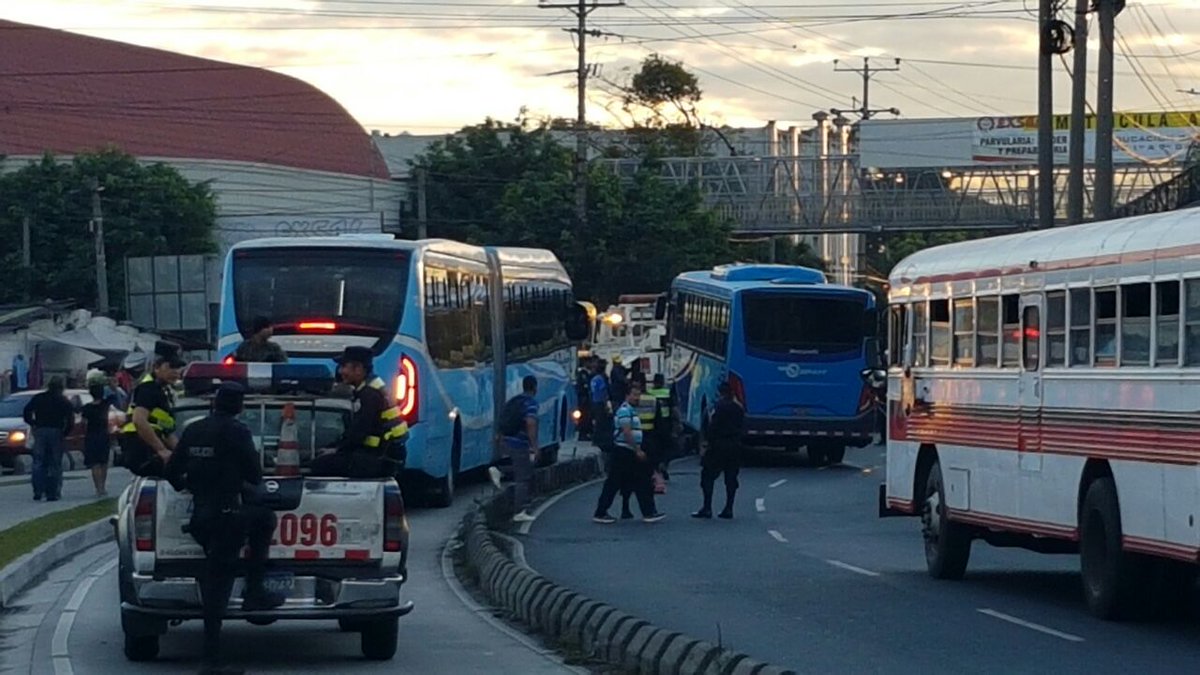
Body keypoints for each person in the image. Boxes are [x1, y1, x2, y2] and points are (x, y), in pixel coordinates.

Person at [164, 382, 285, 673]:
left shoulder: (193, 430)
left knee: (217, 581)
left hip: (202, 518)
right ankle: (252, 594)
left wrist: (190, 485)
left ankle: (249, 598)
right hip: (228, 516)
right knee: (263, 521)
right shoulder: (238, 431)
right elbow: (255, 476)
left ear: (214, 403)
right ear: (240, 407)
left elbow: (171, 471)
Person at [310, 346, 408, 478]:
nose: (340, 371)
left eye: (344, 366)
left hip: (379, 458)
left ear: (358, 369)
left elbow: (359, 432)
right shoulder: (371, 387)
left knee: (318, 466)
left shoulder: (369, 394)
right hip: (383, 455)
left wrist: (336, 450)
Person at [593, 381, 664, 524]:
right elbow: (626, 431)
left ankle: (648, 512)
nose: (637, 398)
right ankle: (601, 512)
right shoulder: (625, 410)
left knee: (641, 481)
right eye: (634, 395)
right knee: (614, 482)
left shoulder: (632, 410)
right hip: (624, 451)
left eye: (638, 396)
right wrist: (637, 449)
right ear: (627, 396)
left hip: (629, 451)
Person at [118, 351, 186, 478]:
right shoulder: (148, 388)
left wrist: (182, 454)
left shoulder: (162, 390)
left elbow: (167, 431)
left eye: (178, 368)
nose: (175, 372)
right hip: (141, 448)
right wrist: (161, 450)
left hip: (147, 446)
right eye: (170, 367)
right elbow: (139, 420)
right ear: (156, 367)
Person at [693, 381, 746, 520]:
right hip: (735, 446)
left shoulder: (717, 407)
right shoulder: (739, 408)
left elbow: (711, 427)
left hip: (718, 445)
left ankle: (707, 507)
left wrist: (706, 444)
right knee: (731, 478)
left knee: (707, 476)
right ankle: (729, 508)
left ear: (720, 392)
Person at [492, 375, 539, 523]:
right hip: (519, 443)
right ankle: (519, 511)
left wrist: (499, 436)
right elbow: (530, 423)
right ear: (535, 388)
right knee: (522, 478)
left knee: (522, 469)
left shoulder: (514, 400)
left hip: (507, 439)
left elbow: (503, 417)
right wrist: (535, 446)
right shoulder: (530, 403)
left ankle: (500, 471)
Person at [22, 377, 74, 502]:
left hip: (40, 430)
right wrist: (65, 432)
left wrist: (33, 423)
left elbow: (26, 411)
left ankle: (38, 491)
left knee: (38, 462)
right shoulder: (63, 401)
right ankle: (53, 492)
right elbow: (70, 420)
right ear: (61, 388)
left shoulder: (39, 398)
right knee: (55, 462)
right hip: (56, 431)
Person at [619, 382, 661, 519]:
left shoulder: (627, 407)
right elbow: (659, 422)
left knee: (627, 479)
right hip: (644, 443)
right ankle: (649, 510)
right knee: (644, 479)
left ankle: (626, 508)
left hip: (633, 445)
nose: (637, 397)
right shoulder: (651, 400)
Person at [81, 383, 113, 497]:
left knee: (95, 463)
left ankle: (98, 488)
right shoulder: (105, 405)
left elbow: (83, 423)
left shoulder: (87, 408)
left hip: (91, 436)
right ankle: (103, 487)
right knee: (103, 462)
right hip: (104, 435)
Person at [646, 374, 675, 481]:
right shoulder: (667, 392)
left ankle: (656, 469)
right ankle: (663, 465)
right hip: (666, 423)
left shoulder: (650, 393)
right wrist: (677, 424)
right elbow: (674, 408)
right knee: (670, 447)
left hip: (653, 424)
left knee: (654, 449)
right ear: (662, 382)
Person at [588, 359, 611, 449]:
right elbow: (603, 392)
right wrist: (606, 404)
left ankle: (595, 439)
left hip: (594, 402)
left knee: (597, 421)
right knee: (601, 422)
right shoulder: (601, 379)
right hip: (600, 403)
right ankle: (599, 440)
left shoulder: (594, 379)